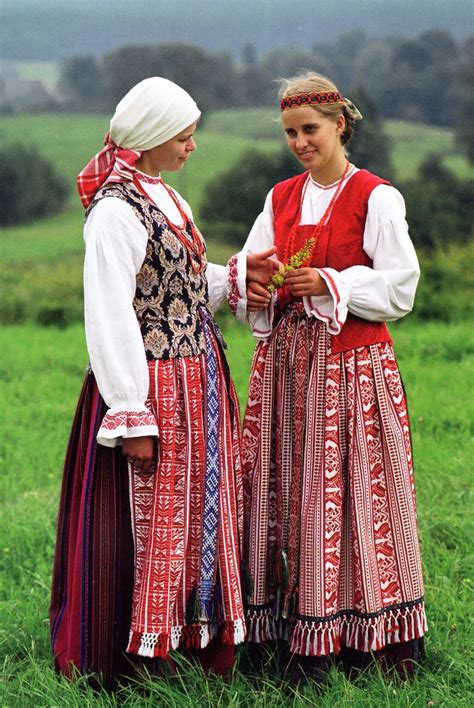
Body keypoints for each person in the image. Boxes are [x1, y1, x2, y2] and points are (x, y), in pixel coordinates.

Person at [49, 77, 278, 687]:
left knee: (204, 513)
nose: (192, 146)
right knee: (150, 517)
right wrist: (129, 413)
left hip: (199, 380)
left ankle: (202, 640)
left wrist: (235, 276)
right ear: (150, 138)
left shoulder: (163, 198)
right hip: (151, 387)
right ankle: (132, 659)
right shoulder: (115, 213)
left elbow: (176, 284)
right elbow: (110, 311)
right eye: (184, 135)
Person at [230, 72, 427, 680]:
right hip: (288, 372)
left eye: (310, 129)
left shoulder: (376, 196)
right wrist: (256, 280)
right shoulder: (280, 197)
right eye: (290, 132)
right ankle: (284, 634)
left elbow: (400, 287)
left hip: (352, 372)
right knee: (282, 492)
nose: (299, 142)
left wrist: (332, 282)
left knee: (351, 499)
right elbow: (251, 263)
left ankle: (365, 637)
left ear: (340, 124)